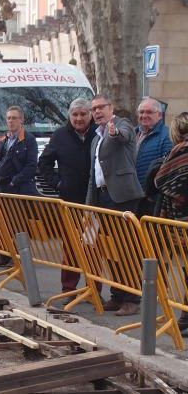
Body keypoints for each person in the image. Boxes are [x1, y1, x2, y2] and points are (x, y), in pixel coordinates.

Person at [86, 93, 144, 316]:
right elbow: (94, 175)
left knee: (126, 249)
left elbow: (125, 136)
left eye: (101, 107)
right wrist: (88, 205)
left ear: (111, 108)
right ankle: (118, 294)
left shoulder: (122, 124)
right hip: (102, 197)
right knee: (112, 250)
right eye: (94, 109)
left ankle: (132, 299)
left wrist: (115, 132)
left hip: (123, 197)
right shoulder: (95, 138)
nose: (97, 112)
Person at [37, 98, 98, 301]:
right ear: (70, 116)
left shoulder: (99, 133)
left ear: (90, 114)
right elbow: (44, 163)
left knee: (93, 247)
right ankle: (68, 289)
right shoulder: (60, 136)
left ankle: (94, 291)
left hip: (94, 202)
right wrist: (58, 183)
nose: (79, 118)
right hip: (69, 201)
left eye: (83, 114)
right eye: (75, 115)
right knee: (70, 246)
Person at [0, 106, 39, 267]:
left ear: (22, 120)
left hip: (19, 189)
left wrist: (15, 180)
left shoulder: (28, 140)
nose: (11, 121)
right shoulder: (4, 140)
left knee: (19, 225)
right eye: (9, 118)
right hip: (1, 188)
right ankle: (4, 255)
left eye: (14, 118)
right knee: (2, 223)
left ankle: (21, 257)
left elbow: (31, 165)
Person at [154, 112, 188, 334]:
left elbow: (161, 179)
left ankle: (185, 316)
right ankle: (185, 316)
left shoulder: (181, 150)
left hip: (182, 216)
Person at [134, 98, 173, 216]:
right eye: (141, 112)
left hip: (152, 201)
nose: (144, 115)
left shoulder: (166, 136)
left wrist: (152, 194)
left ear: (160, 115)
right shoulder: (132, 134)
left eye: (149, 112)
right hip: (132, 198)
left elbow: (167, 168)